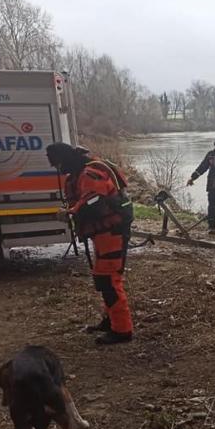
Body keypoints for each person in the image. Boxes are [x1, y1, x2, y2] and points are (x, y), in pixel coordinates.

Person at [46, 143, 134, 345]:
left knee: (110, 280)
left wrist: (70, 213)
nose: (58, 169)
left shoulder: (89, 173)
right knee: (104, 279)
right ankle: (111, 320)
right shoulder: (81, 171)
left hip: (112, 232)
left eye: (58, 164)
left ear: (65, 159)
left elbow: (93, 203)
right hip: (104, 232)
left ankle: (122, 330)